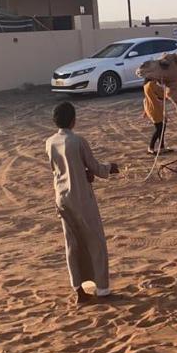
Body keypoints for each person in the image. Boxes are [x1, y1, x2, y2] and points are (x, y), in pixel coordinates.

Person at [46, 102, 120, 304]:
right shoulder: (78, 141)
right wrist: (110, 168)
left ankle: (78, 289)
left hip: (62, 197)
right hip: (81, 197)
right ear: (73, 120)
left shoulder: (50, 142)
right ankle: (103, 289)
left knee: (72, 243)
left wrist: (83, 173)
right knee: (95, 240)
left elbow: (59, 169)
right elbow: (94, 167)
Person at [144, 79, 169, 154]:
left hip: (156, 109)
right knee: (159, 129)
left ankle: (162, 147)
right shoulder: (151, 84)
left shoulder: (148, 84)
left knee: (162, 128)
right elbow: (162, 94)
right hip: (155, 110)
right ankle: (151, 147)